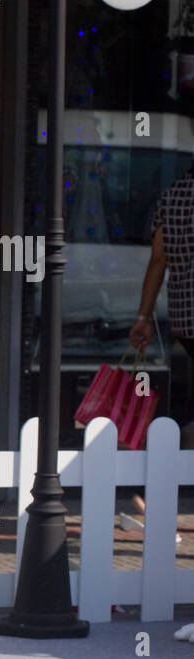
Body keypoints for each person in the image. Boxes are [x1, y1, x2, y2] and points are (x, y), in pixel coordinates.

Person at [131, 162, 194, 447]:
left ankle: (169, 442)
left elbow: (158, 259)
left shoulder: (173, 195)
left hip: (185, 316)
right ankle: (171, 440)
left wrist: (143, 316)